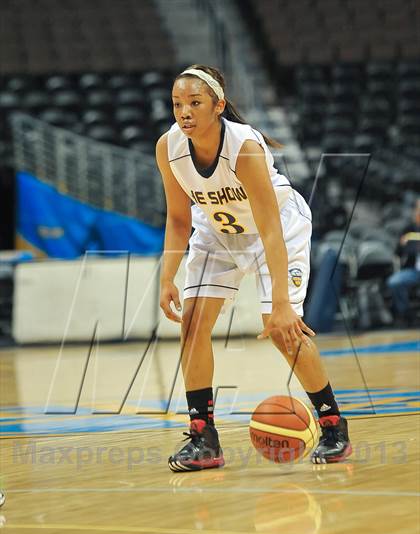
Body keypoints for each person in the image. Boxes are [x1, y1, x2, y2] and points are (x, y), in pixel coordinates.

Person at [156, 64, 352, 472]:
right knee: (192, 326)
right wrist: (166, 278)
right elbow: (178, 219)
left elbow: (269, 227)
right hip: (218, 232)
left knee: (282, 328)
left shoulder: (243, 146)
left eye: (194, 103)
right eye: (177, 104)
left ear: (218, 105)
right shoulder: (169, 147)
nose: (184, 112)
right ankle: (203, 437)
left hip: (278, 228)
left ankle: (333, 424)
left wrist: (281, 302)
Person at [387, 199, 420, 327]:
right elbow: (398, 252)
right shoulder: (410, 228)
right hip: (415, 271)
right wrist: (402, 245)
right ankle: (406, 314)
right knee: (394, 282)